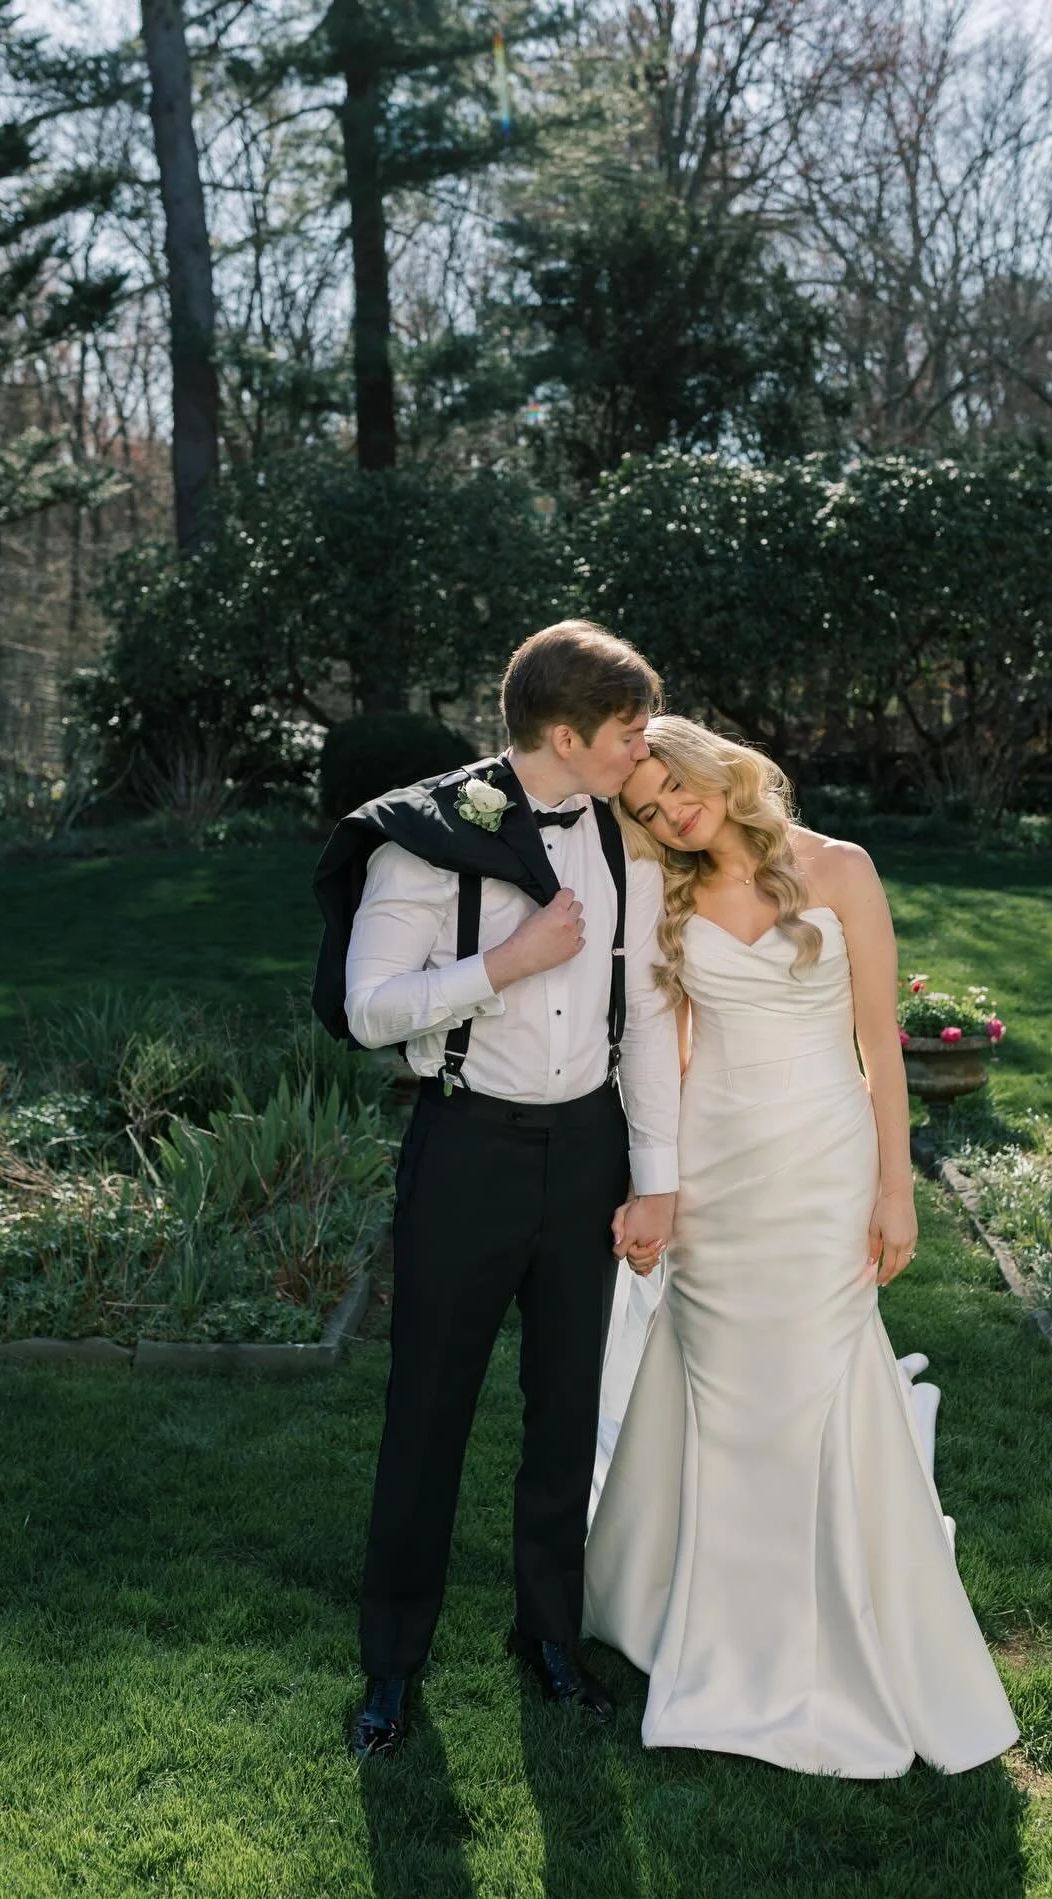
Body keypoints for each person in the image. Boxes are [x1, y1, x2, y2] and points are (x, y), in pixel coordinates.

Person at [584, 716, 1018, 1776]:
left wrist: (895, 1190)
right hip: (716, 1161)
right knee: (720, 1381)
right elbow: (671, 1050)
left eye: (672, 787)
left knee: (818, 1375)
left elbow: (881, 1040)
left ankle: (841, 1621)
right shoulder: (667, 898)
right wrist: (662, 1190)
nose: (670, 812)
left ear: (711, 764)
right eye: (645, 812)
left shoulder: (840, 868)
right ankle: (705, 1617)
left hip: (822, 1162)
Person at [317, 621, 680, 1759]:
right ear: (567, 735)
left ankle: (549, 1633)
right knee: (429, 1409)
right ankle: (392, 1666)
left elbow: (657, 1014)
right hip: (466, 1148)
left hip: (590, 1153)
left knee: (569, 1403)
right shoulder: (426, 839)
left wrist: (656, 1182)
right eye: (628, 732)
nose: (645, 749)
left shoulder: (634, 835)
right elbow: (368, 1007)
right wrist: (503, 967)